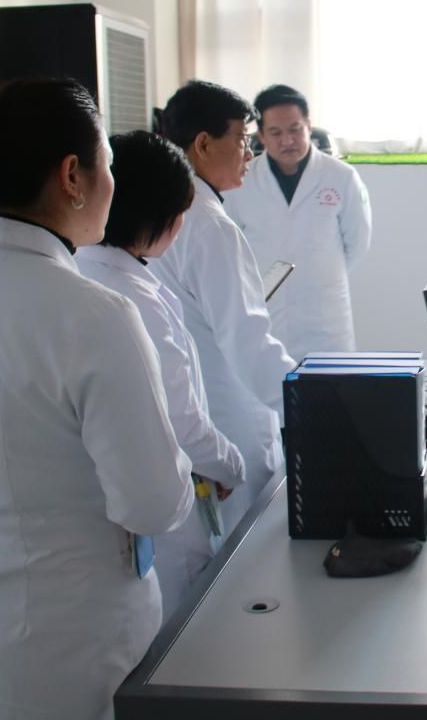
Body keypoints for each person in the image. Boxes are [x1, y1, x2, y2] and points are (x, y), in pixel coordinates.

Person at [0, 76, 195, 720]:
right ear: (72, 176)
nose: (112, 184)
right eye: (107, 166)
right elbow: (153, 502)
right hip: (70, 631)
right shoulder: (94, 314)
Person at [76, 130, 246, 618]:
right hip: (162, 513)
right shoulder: (134, 300)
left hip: (107, 508)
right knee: (180, 623)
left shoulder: (88, 271)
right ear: (164, 217)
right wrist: (229, 465)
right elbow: (181, 419)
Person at [151, 80, 295, 526]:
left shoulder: (169, 211)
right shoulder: (209, 224)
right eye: (242, 139)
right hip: (229, 417)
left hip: (193, 412)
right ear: (202, 144)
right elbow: (248, 341)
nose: (250, 154)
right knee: (243, 550)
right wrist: (311, 405)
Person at [223, 84, 373, 361]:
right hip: (265, 313)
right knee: (268, 382)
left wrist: (317, 275)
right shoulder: (242, 180)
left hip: (325, 319)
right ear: (261, 136)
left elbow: (357, 242)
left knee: (330, 385)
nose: (287, 140)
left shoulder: (341, 177)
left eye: (295, 129)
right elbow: (229, 243)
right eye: (276, 133)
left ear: (309, 126)